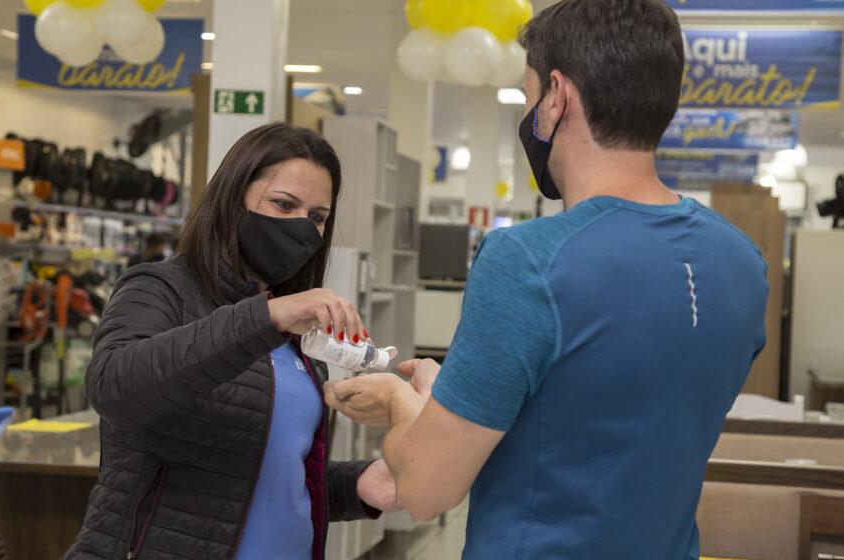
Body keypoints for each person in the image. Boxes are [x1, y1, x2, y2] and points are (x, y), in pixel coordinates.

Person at [325, 1, 769, 559]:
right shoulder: (742, 261)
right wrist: (453, 395)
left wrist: (398, 399)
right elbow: (611, 410)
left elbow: (426, 488)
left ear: (556, 97)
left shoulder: (528, 259)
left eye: (530, 95)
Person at [65, 123, 398, 560]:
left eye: (316, 217)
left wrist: (357, 485)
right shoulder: (160, 289)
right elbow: (114, 389)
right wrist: (267, 316)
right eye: (283, 204)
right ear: (232, 199)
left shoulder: (293, 330)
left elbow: (263, 473)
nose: (301, 228)